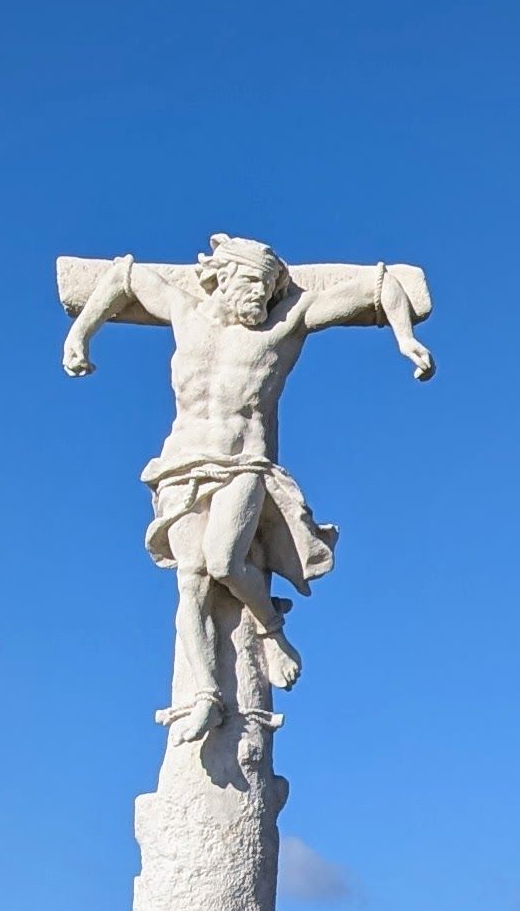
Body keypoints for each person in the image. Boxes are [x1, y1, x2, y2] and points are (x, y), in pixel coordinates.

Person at [58, 234, 435, 741]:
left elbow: (380, 283)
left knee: (223, 562)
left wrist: (404, 338)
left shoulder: (287, 324)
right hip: (183, 462)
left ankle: (272, 630)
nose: (258, 295)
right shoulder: (185, 312)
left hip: (244, 463)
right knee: (190, 585)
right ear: (225, 278)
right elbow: (124, 276)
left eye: (267, 285)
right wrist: (80, 336)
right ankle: (206, 697)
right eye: (251, 283)